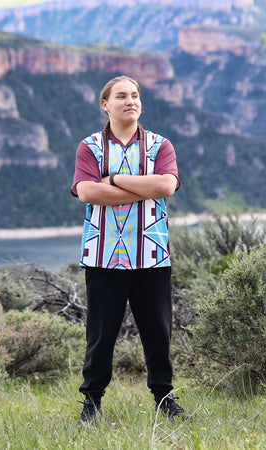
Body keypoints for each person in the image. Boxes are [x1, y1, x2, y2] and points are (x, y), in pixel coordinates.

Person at [71, 75, 189, 425]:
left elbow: (167, 185)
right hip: (103, 257)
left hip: (151, 256)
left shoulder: (159, 145)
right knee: (100, 336)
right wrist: (143, 188)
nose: (130, 101)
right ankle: (91, 404)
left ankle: (165, 400)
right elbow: (88, 193)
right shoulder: (89, 146)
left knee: (158, 333)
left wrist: (113, 179)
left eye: (135, 95)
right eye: (121, 96)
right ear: (105, 104)